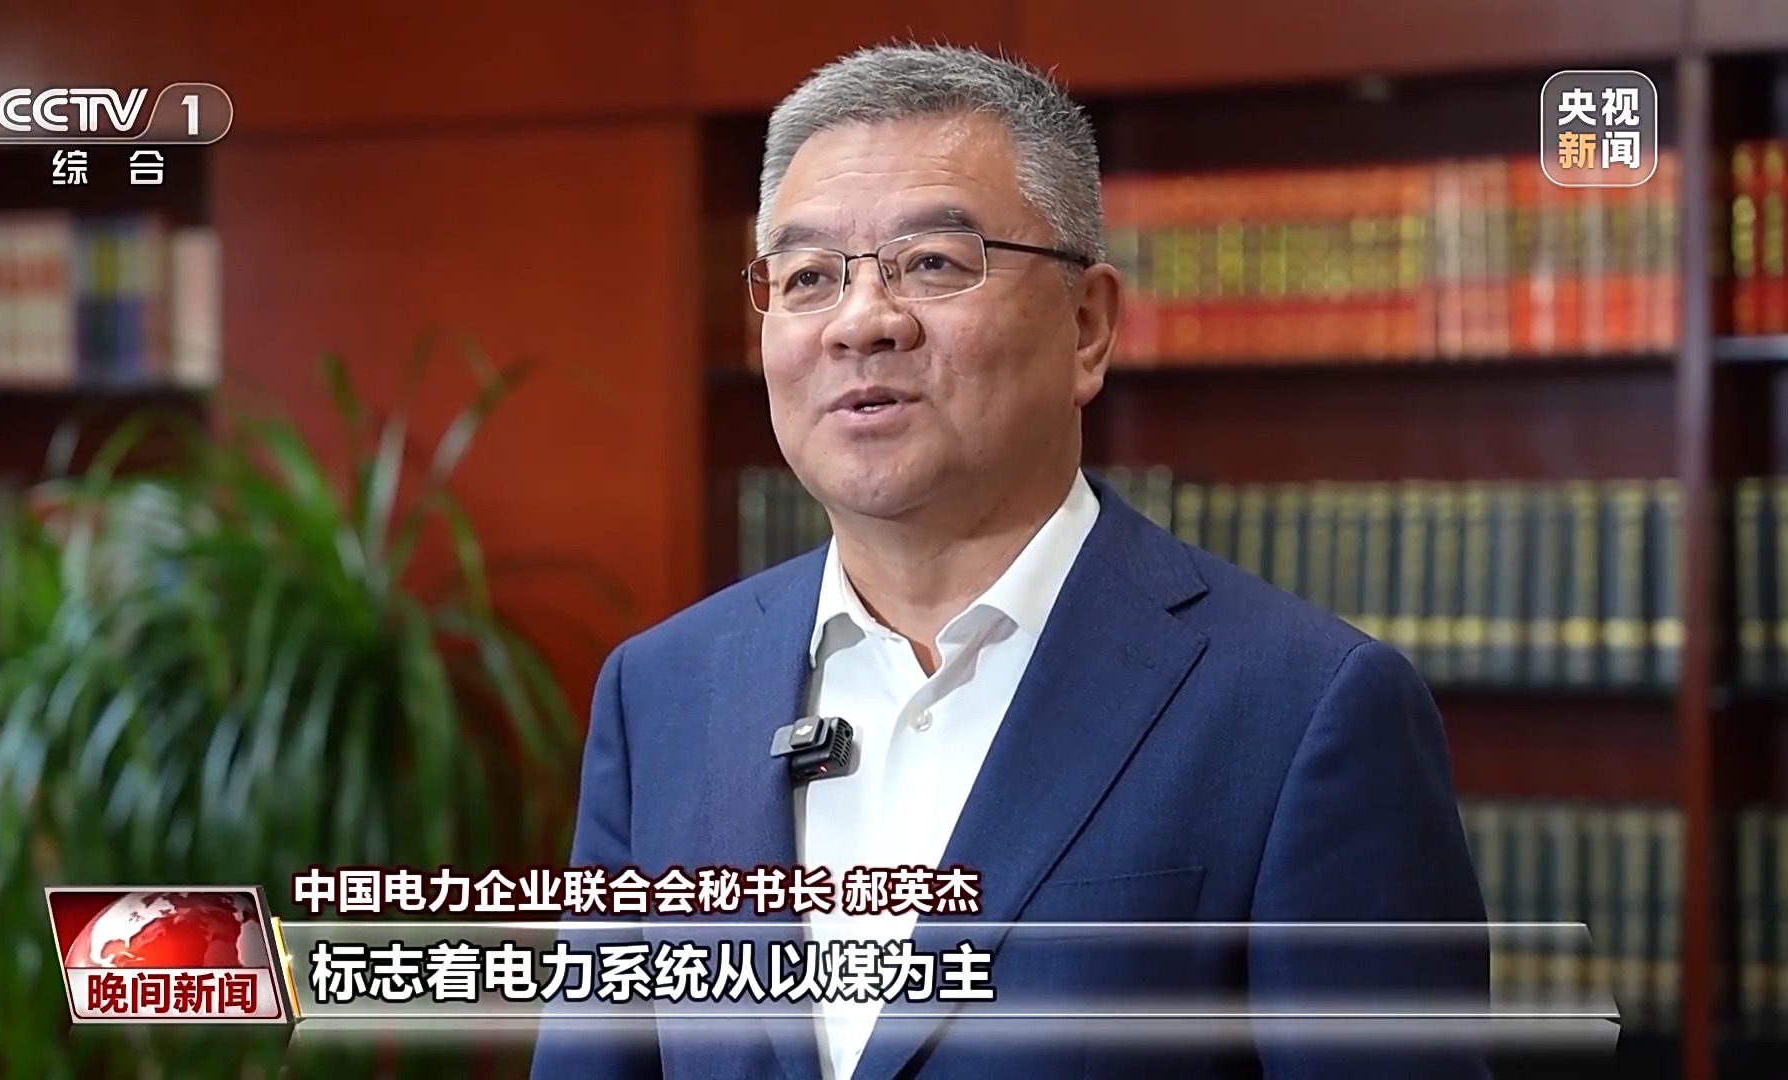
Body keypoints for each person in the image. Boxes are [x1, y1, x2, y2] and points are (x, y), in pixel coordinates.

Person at [530, 43, 1491, 1080]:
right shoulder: (664, 693)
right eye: (808, 278)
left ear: (1087, 328)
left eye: (934, 263)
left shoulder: (1304, 709)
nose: (863, 323)